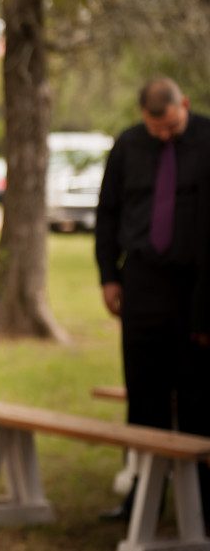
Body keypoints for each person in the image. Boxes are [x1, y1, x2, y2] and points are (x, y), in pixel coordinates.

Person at [95, 77, 210, 520]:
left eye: (171, 127)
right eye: (155, 128)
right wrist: (109, 276)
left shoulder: (207, 140)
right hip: (141, 283)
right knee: (144, 395)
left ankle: (202, 505)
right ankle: (141, 498)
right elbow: (108, 214)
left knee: (197, 398)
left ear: (186, 104)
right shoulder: (128, 145)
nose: (163, 136)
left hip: (194, 287)